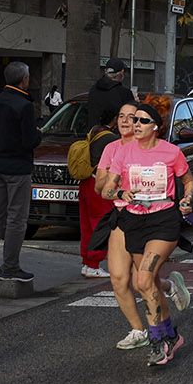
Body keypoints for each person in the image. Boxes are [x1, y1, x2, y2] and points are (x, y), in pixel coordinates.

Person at [99, 102, 193, 367]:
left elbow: (188, 180)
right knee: (148, 284)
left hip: (163, 221)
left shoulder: (172, 152)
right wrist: (119, 193)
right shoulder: (123, 153)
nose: (136, 125)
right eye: (134, 120)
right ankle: (172, 335)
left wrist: (187, 198)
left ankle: (157, 343)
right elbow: (107, 189)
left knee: (142, 280)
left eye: (141, 121)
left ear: (155, 126)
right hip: (134, 221)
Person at [0, 61, 40, 283]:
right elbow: (30, 140)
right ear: (23, 80)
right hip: (19, 168)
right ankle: (11, 267)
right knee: (16, 217)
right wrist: (38, 134)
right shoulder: (24, 106)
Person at [77, 107, 118, 278]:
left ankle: (87, 262)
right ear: (115, 119)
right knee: (99, 226)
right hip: (99, 185)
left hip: (86, 182)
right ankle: (94, 263)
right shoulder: (112, 139)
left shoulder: (94, 132)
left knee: (86, 225)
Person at [87, 58, 135, 133]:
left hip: (93, 136)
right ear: (121, 73)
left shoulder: (93, 90)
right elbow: (132, 117)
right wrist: (136, 103)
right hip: (116, 137)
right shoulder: (124, 93)